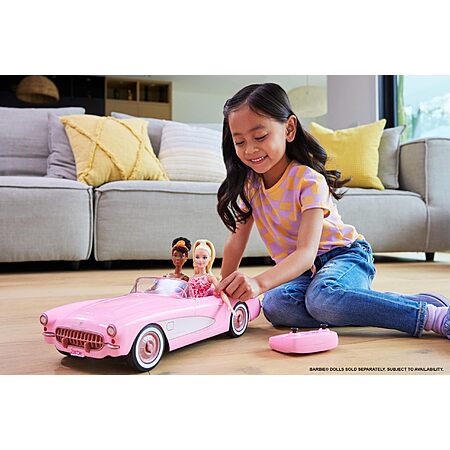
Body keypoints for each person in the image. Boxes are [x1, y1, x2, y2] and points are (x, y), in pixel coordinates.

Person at [215, 82, 450, 340]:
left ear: (289, 129)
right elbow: (236, 241)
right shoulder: (250, 185)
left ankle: (432, 315)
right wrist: (224, 289)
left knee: (323, 299)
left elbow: (306, 254)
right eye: (240, 142)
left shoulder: (308, 181)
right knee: (276, 306)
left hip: (345, 257)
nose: (250, 149)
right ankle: (371, 304)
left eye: (260, 137)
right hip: (303, 273)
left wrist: (258, 282)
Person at [189, 239, 234, 314]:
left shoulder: (209, 277)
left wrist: (229, 305)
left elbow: (221, 292)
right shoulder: (192, 277)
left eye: (204, 257)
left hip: (203, 306)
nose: (200, 260)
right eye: (197, 257)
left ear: (210, 259)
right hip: (191, 305)